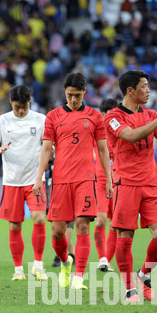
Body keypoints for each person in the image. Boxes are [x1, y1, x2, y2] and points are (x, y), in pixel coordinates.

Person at [105, 70, 157, 302]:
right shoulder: (112, 116)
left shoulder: (150, 114)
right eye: (144, 86)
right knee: (125, 236)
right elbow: (130, 136)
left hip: (151, 183)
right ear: (130, 90)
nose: (148, 90)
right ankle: (129, 289)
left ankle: (143, 275)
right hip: (126, 184)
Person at [33, 73, 113, 290]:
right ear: (64, 92)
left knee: (82, 225)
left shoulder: (95, 116)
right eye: (70, 95)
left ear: (84, 92)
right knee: (58, 233)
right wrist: (39, 177)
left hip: (85, 180)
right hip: (60, 181)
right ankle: (66, 262)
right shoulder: (53, 116)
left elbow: (103, 150)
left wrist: (108, 179)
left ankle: (78, 276)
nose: (74, 100)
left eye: (77, 95)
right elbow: (47, 149)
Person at [0, 85, 48, 281]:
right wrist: (0, 149)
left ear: (30, 102)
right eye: (16, 107)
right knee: (15, 225)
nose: (20, 110)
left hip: (35, 180)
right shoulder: (2, 121)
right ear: (11, 103)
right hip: (12, 181)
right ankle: (18, 269)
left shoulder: (41, 120)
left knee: (39, 218)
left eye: (23, 106)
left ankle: (38, 265)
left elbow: (48, 146)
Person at [94, 98, 119, 272]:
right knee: (101, 220)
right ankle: (102, 257)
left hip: (118, 181)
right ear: (102, 114)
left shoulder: (121, 132)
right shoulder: (96, 132)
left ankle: (106, 262)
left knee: (115, 224)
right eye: (108, 114)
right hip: (100, 181)